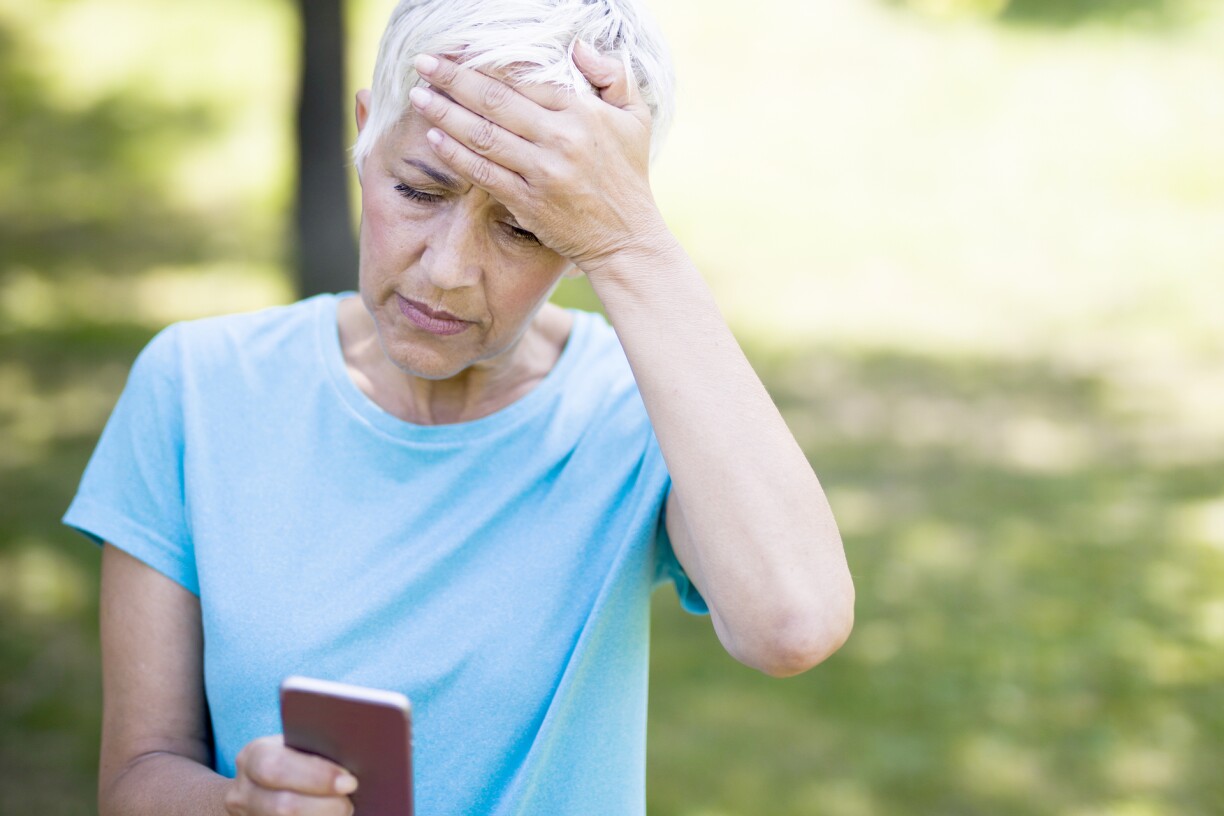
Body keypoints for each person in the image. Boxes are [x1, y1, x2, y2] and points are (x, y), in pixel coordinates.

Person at [64, 0, 855, 813]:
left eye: (524, 227)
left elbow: (792, 624)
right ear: (365, 138)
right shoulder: (199, 387)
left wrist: (633, 246)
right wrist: (240, 805)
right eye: (418, 189)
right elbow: (139, 774)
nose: (446, 270)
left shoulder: (638, 410)